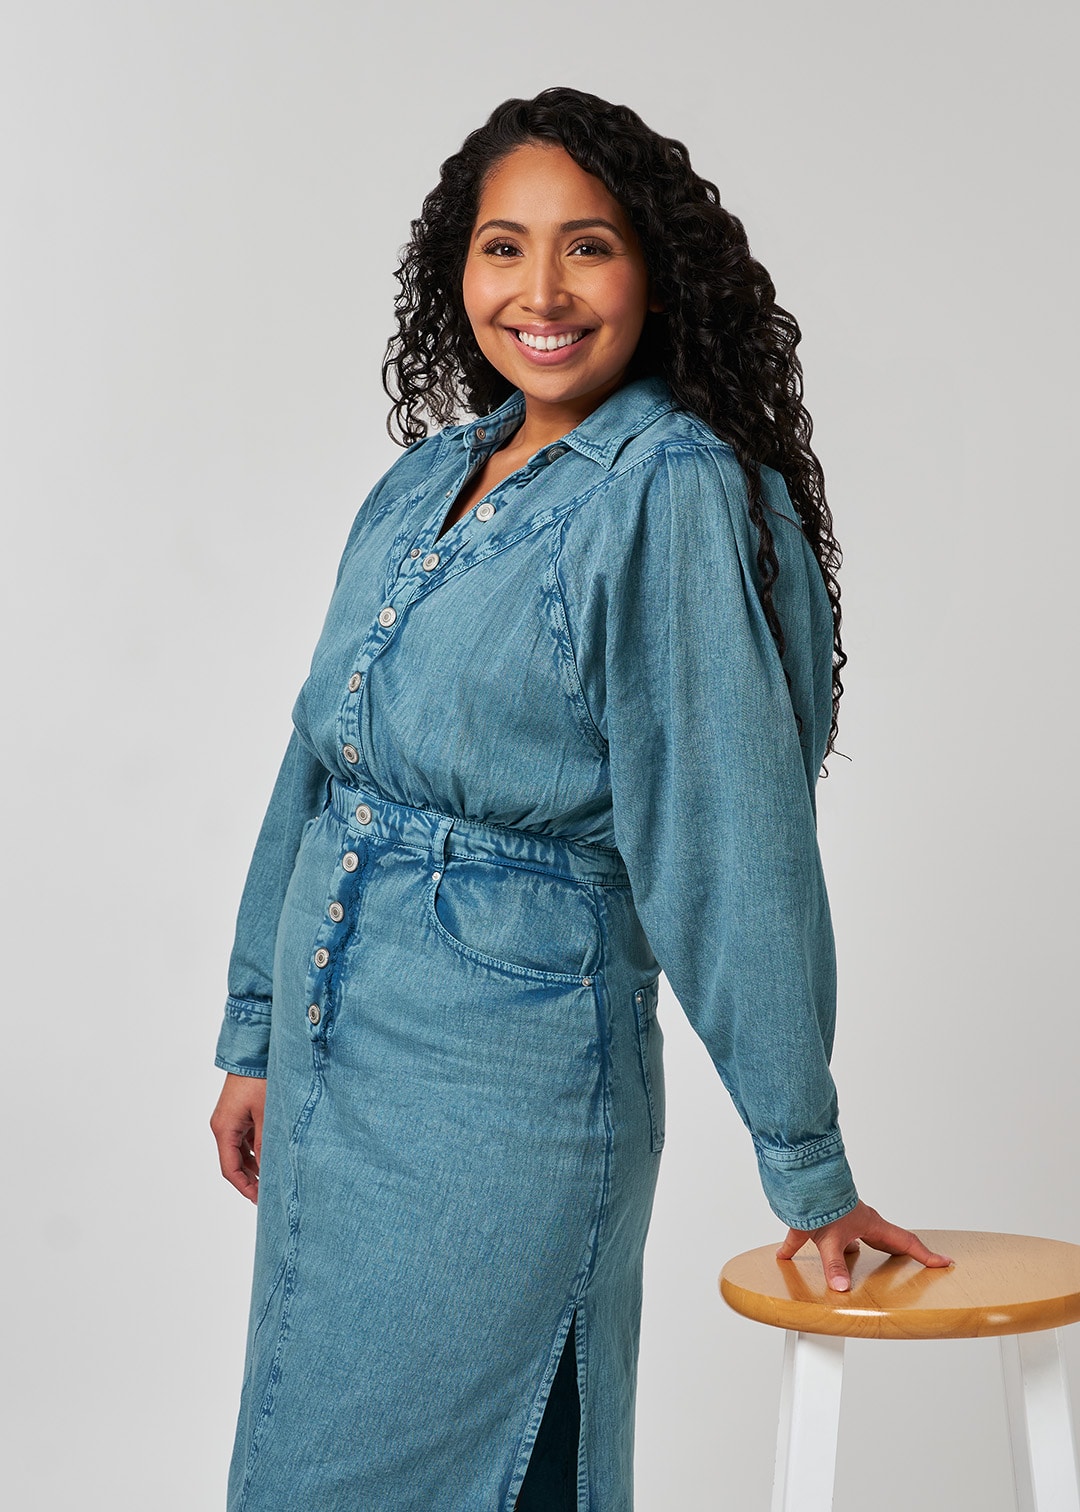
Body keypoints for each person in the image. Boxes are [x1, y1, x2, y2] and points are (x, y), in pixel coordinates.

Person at [209, 85, 952, 1511]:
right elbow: (316, 767)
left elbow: (727, 840)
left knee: (489, 1468)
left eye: (588, 247)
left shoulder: (667, 489)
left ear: (655, 274)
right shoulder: (431, 477)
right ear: (457, 270)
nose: (540, 292)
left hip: (506, 1081)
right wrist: (257, 1031)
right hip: (334, 1056)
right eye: (503, 247)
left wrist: (807, 1164)